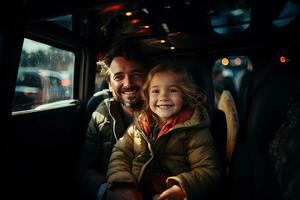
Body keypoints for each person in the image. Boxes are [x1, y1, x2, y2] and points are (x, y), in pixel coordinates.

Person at [106, 62, 222, 200]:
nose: (163, 97)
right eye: (156, 91)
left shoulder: (194, 129)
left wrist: (181, 187)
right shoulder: (140, 123)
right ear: (147, 96)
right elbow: (120, 153)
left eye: (172, 90)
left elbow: (210, 171)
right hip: (137, 191)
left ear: (184, 95)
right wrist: (122, 184)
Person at [77, 38, 147, 200]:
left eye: (136, 74)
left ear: (148, 78)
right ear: (109, 84)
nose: (128, 83)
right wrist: (108, 191)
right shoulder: (101, 114)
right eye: (119, 77)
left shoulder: (165, 111)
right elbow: (84, 168)